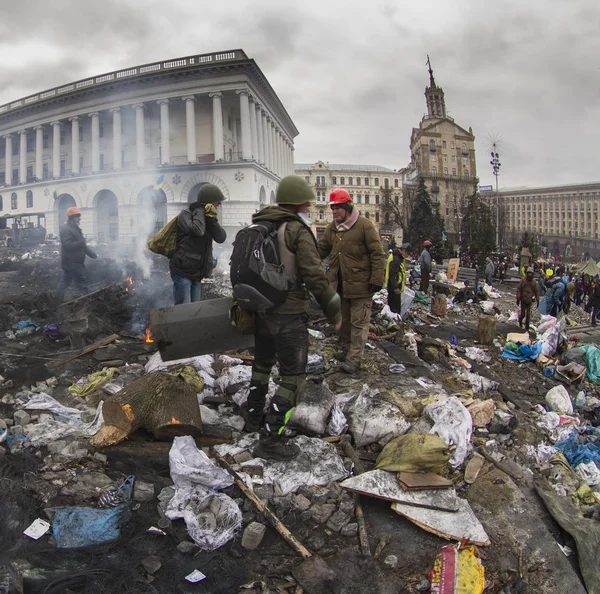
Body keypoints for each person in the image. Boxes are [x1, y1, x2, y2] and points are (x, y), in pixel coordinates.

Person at [247, 176, 342, 460]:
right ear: (299, 203)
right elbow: (314, 274)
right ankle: (270, 438)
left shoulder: (259, 224)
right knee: (293, 377)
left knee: (262, 365)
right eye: (307, 203)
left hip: (260, 310)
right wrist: (334, 308)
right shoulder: (297, 231)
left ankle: (252, 416)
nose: (309, 207)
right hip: (287, 313)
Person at [318, 188, 386, 374]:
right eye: (332, 208)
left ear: (347, 207)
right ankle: (348, 349)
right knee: (344, 321)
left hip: (361, 285)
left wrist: (377, 279)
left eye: (337, 208)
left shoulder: (364, 226)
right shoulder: (332, 228)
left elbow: (377, 254)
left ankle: (354, 359)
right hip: (339, 286)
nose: (334, 212)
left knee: (359, 323)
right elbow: (321, 249)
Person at [169, 184, 227, 304]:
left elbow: (221, 238)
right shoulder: (185, 215)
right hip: (182, 270)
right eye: (217, 201)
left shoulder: (208, 218)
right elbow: (198, 231)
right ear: (208, 203)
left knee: (195, 311)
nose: (219, 204)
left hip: (197, 273)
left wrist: (212, 221)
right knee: (184, 310)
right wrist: (201, 209)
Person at [56, 206, 97, 301]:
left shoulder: (75, 229)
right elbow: (67, 245)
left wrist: (92, 255)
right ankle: (93, 301)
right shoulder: (66, 229)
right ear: (73, 217)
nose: (80, 218)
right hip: (73, 263)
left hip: (71, 263)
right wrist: (80, 243)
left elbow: (83, 246)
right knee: (83, 284)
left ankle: (56, 301)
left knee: (64, 283)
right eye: (78, 216)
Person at [386, 243, 411, 315]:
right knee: (394, 310)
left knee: (395, 309)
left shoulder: (398, 258)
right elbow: (392, 274)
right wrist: (396, 287)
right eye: (407, 253)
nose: (407, 255)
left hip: (395, 287)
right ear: (404, 251)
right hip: (394, 289)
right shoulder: (396, 259)